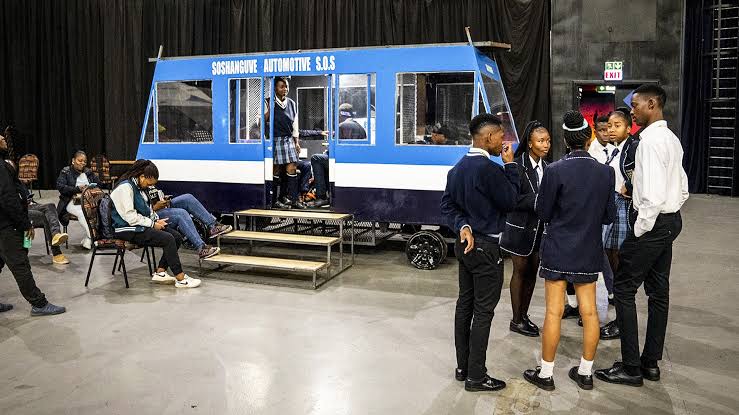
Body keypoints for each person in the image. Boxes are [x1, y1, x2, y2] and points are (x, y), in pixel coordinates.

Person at [595, 84, 688, 387]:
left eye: (635, 105)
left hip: (651, 223)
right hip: (671, 220)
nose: (631, 110)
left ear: (652, 104)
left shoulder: (648, 142)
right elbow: (682, 187)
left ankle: (631, 367)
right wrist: (666, 216)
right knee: (658, 292)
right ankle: (650, 364)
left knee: (623, 289)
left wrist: (640, 228)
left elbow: (651, 195)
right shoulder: (672, 139)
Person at [523, 110, 615, 391]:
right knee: (590, 313)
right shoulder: (606, 172)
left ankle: (546, 375)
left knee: (553, 312)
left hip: (558, 247)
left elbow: (543, 211)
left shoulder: (554, 170)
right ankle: (585, 373)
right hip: (588, 249)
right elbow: (609, 215)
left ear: (564, 139)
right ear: (589, 138)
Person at [440, 113, 518, 392]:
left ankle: (463, 368)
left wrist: (461, 225)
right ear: (487, 138)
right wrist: (510, 166)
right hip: (487, 248)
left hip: (466, 247)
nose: (503, 140)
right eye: (500, 135)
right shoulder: (491, 169)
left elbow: (447, 207)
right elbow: (510, 201)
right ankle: (477, 376)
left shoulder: (457, 169)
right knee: (483, 312)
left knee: (465, 306)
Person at [0, 134, 66, 316]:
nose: (3, 138)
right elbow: (8, 198)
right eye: (0, 136)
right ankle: (39, 303)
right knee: (20, 265)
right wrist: (24, 224)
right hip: (7, 226)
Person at [110, 160, 201, 288]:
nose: (149, 186)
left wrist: (156, 220)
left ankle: (161, 272)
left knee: (176, 237)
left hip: (138, 225)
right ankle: (180, 278)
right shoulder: (125, 188)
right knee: (168, 239)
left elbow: (148, 210)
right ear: (141, 177)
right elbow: (130, 216)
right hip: (125, 228)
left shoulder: (140, 188)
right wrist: (152, 224)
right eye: (148, 183)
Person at [500, 120, 551, 337]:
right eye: (540, 141)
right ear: (530, 143)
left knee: (532, 274)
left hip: (539, 230)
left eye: (548, 140)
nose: (546, 144)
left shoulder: (549, 168)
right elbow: (511, 199)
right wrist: (539, 200)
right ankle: (516, 319)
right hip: (519, 229)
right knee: (520, 272)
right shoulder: (517, 165)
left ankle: (524, 314)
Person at [147, 187, 231, 260]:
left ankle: (213, 226)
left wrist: (163, 199)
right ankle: (201, 247)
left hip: (159, 208)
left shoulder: (147, 181)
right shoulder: (136, 188)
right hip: (151, 216)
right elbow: (138, 213)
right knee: (181, 213)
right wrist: (154, 207)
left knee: (188, 198)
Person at [56, 150, 99, 249]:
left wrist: (92, 187)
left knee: (97, 210)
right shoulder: (66, 172)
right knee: (83, 212)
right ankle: (93, 238)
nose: (83, 163)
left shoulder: (88, 172)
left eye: (84, 161)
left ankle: (89, 239)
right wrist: (77, 189)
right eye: (80, 161)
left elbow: (99, 184)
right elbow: (61, 187)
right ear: (73, 160)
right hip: (70, 201)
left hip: (87, 200)